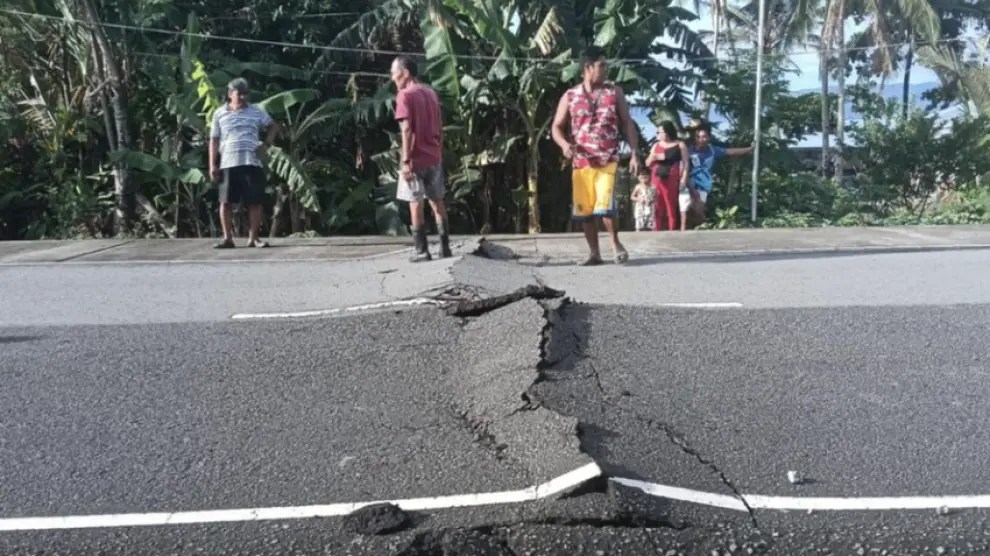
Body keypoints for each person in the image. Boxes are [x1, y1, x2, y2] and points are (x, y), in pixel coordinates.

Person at [552, 46, 641, 266]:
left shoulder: (614, 92)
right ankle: (594, 253)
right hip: (581, 162)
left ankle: (615, 244)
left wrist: (634, 154)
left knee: (605, 206)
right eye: (601, 65)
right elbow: (556, 126)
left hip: (607, 158)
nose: (605, 69)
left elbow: (627, 123)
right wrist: (564, 145)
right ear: (587, 68)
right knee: (585, 211)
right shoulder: (570, 96)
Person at [390, 55, 451, 262]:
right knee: (437, 201)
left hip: (415, 159)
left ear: (405, 73)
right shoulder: (431, 93)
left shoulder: (404, 96)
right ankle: (445, 248)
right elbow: (440, 126)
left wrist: (406, 161)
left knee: (415, 203)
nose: (392, 78)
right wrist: (438, 150)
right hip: (434, 155)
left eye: (394, 73)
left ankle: (422, 251)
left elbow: (406, 130)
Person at [209, 78, 280, 249]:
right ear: (230, 94)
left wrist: (266, 144)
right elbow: (214, 140)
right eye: (237, 93)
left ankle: (253, 238)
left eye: (244, 94)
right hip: (228, 162)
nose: (241, 97)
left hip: (251, 161)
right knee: (225, 202)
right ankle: (227, 238)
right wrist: (212, 164)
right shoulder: (219, 113)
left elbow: (273, 126)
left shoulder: (255, 111)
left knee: (254, 201)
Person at [683, 122, 754, 231]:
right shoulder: (688, 150)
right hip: (687, 183)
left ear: (709, 138)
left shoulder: (712, 150)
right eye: (698, 137)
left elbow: (731, 152)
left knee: (698, 208)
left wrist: (749, 149)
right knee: (686, 210)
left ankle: (702, 227)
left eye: (704, 137)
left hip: (703, 185)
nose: (701, 139)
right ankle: (694, 228)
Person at [645, 121, 689, 231]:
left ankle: (672, 230)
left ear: (668, 132)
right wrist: (654, 157)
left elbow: (686, 163)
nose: (658, 135)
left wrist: (684, 178)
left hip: (671, 177)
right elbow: (647, 163)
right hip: (656, 178)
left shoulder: (680, 145)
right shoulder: (656, 145)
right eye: (658, 132)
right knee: (656, 206)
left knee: (670, 206)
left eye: (660, 132)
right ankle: (656, 230)